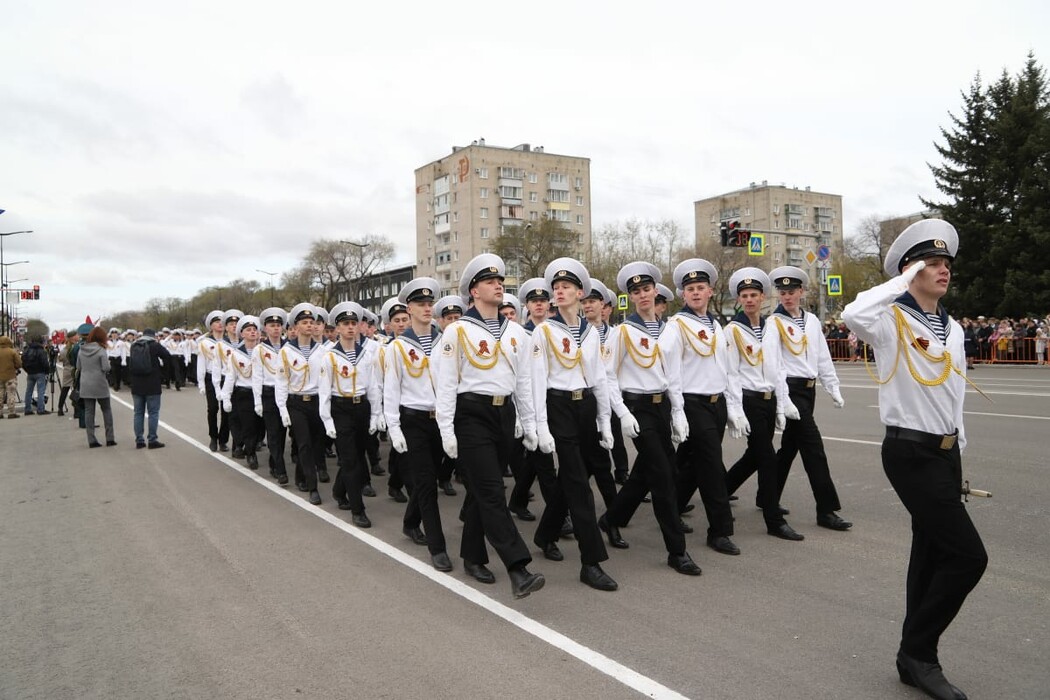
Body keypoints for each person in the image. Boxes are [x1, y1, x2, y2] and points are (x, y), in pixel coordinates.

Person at [843, 219, 987, 700]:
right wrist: (901, 281)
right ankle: (919, 653)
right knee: (969, 557)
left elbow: (954, 392)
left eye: (947, 263)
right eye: (933, 263)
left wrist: (959, 445)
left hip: (944, 452)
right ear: (910, 271)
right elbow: (852, 313)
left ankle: (912, 660)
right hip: (909, 451)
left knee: (929, 554)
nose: (944, 270)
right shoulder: (890, 321)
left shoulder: (953, 328)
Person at [434, 253, 545, 598]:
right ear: (474, 292)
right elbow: (446, 383)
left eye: (500, 281)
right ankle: (518, 568)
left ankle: (472, 555)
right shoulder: (458, 331)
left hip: (504, 415)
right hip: (471, 416)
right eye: (490, 282)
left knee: (485, 491)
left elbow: (524, 382)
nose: (499, 286)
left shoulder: (516, 333)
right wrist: (446, 430)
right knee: (493, 492)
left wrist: (528, 424)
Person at [600, 261, 702, 576]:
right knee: (663, 476)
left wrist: (677, 411)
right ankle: (676, 551)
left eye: (646, 289)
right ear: (630, 297)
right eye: (636, 291)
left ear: (655, 292)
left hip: (660, 408)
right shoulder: (622, 332)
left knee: (645, 473)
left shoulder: (669, 330)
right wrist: (623, 413)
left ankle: (610, 519)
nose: (642, 295)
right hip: (638, 408)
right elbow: (607, 376)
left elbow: (673, 375)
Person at [528, 258, 619, 591]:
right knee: (579, 483)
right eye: (556, 288)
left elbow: (600, 380)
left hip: (586, 407)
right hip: (558, 406)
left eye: (566, 287)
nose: (559, 292)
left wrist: (605, 422)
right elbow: (537, 380)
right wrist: (539, 425)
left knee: (574, 479)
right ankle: (590, 561)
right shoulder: (544, 331)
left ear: (581, 293)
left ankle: (545, 533)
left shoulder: (591, 333)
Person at [661, 259, 740, 556]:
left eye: (700, 288)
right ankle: (719, 530)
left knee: (692, 464)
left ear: (710, 291)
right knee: (710, 468)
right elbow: (670, 371)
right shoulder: (676, 326)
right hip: (693, 404)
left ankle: (672, 509)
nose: (695, 293)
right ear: (683, 295)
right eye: (690, 289)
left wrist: (733, 407)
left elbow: (727, 369)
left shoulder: (716, 325)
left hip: (715, 403)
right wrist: (677, 411)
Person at [766, 266, 853, 532]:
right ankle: (826, 510)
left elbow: (822, 357)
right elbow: (774, 364)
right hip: (790, 389)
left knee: (789, 449)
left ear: (801, 292)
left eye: (791, 292)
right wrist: (783, 399)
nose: (787, 297)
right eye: (782, 292)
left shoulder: (812, 321)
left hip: (808, 389)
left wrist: (833, 386)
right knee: (814, 449)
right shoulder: (774, 323)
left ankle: (766, 496)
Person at [722, 267, 805, 541]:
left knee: (754, 456)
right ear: (739, 300)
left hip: (769, 401)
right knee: (768, 458)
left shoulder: (771, 327)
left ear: (763, 297)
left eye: (753, 295)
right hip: (749, 401)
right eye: (744, 295)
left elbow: (778, 368)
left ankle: (719, 492)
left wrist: (782, 405)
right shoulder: (733, 330)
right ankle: (774, 519)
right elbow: (731, 373)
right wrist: (734, 409)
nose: (749, 300)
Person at [384, 278, 454, 570]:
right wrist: (394, 427)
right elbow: (392, 388)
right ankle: (438, 547)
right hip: (414, 420)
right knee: (425, 482)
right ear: (409, 309)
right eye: (420, 304)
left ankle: (411, 521)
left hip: (442, 419)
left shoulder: (446, 341)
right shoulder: (398, 347)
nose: (427, 308)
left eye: (430, 304)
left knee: (433, 475)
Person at [319, 301, 383, 522]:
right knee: (350, 460)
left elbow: (373, 386)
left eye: (353, 323)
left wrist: (376, 414)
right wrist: (327, 421)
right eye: (345, 323)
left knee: (356, 454)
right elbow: (325, 392)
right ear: (337, 328)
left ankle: (339, 490)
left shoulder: (366, 354)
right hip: (341, 408)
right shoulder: (330, 356)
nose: (350, 328)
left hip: (362, 408)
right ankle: (358, 510)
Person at [275, 303, 328, 506]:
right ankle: (312, 487)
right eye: (304, 323)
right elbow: (281, 381)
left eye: (311, 322)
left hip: (316, 402)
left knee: (315, 444)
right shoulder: (286, 352)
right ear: (295, 328)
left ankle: (300, 476)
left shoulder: (322, 351)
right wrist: (282, 408)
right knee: (304, 443)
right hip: (296, 402)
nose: (309, 326)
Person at [253, 307, 290, 484]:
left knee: (282, 433)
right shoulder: (259, 350)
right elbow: (257, 376)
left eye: (278, 325)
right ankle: (280, 469)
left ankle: (274, 460)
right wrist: (257, 400)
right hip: (268, 393)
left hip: (286, 394)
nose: (275, 328)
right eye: (272, 325)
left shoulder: (289, 347)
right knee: (273, 432)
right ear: (265, 329)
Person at [221, 316, 262, 469]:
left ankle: (251, 445)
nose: (252, 332)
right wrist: (226, 397)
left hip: (262, 394)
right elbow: (231, 377)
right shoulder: (236, 354)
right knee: (249, 425)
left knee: (260, 426)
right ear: (242, 334)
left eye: (254, 330)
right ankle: (251, 454)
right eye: (248, 330)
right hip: (244, 394)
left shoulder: (263, 351)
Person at [130, 328, 172, 449]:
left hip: (137, 384)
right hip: (152, 382)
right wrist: (162, 372)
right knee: (153, 412)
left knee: (138, 413)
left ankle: (139, 440)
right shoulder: (155, 345)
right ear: (153, 336)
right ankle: (152, 439)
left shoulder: (134, 345)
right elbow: (167, 356)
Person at [76, 326, 116, 447]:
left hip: (86, 383)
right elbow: (106, 367)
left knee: (89, 412)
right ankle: (110, 438)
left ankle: (91, 439)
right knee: (106, 410)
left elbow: (78, 366)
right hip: (99, 383)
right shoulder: (101, 350)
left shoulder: (81, 350)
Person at [197, 310, 229, 452]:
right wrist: (201, 384)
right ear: (211, 326)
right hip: (210, 378)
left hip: (226, 378)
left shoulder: (228, 342)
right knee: (213, 409)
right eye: (217, 322)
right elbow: (201, 364)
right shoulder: (204, 343)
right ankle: (213, 438)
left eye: (222, 321)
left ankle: (223, 440)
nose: (220, 324)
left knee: (226, 410)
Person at [21, 335, 51, 415]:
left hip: (30, 372)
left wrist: (27, 370)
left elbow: (22, 361)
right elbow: (45, 363)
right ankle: (40, 409)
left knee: (29, 391)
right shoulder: (41, 351)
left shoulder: (27, 350)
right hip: (40, 372)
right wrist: (47, 371)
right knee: (41, 391)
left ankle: (27, 409)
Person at [0, 334, 22, 418]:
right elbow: (19, 364)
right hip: (10, 376)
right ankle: (11, 412)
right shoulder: (12, 351)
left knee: (0, 394)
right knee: (11, 394)